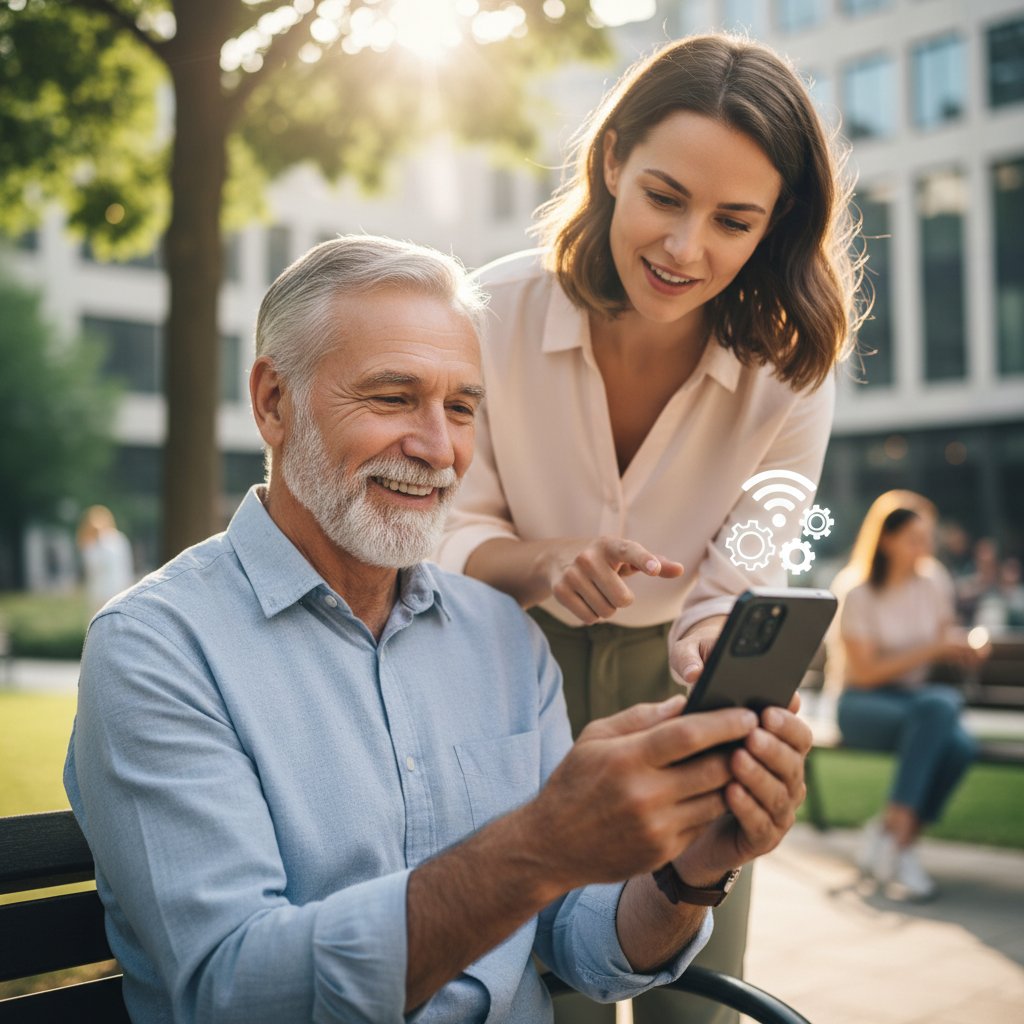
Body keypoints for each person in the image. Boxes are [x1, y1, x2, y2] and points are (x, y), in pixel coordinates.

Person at [64, 236, 812, 1024]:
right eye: (392, 398)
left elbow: (581, 941)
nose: (439, 448)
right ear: (272, 402)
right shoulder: (156, 651)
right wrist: (539, 845)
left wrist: (691, 870)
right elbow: (237, 995)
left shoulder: (506, 639)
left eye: (461, 408)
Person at [435, 32, 861, 1023]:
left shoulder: (790, 369)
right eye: (665, 197)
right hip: (507, 665)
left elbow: (761, 534)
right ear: (613, 157)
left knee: (691, 991)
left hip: (685, 691)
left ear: (777, 223)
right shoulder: (492, 311)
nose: (684, 249)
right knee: (543, 987)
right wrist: (541, 561)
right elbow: (452, 521)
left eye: (733, 220)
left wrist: (720, 635)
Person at [834, 490, 986, 900]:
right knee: (939, 708)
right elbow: (865, 673)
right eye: (915, 538)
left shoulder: (934, 579)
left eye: (928, 538)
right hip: (862, 705)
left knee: (958, 746)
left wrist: (968, 642)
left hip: (916, 707)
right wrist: (934, 649)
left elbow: (945, 634)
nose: (925, 547)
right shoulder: (858, 591)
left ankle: (893, 837)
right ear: (887, 540)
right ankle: (901, 850)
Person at [76, 504, 134, 614]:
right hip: (97, 593)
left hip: (116, 589)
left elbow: (125, 566)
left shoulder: (117, 539)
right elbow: (92, 567)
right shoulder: (89, 545)